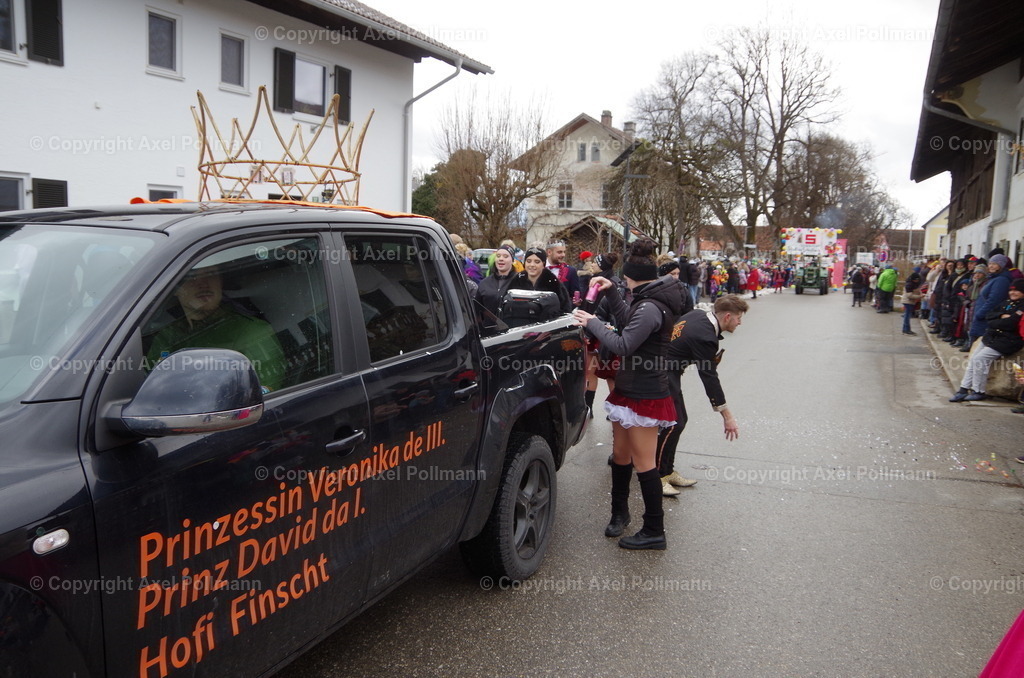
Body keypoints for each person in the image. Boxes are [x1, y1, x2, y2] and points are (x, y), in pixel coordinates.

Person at [572, 239, 683, 551]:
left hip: (645, 393)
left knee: (644, 462)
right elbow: (626, 320)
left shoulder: (650, 306)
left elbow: (623, 343)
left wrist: (592, 322)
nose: (625, 284)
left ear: (633, 276)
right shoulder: (646, 299)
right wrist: (609, 291)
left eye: (625, 279)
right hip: (630, 389)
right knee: (621, 456)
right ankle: (619, 514)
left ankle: (654, 530)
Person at [657, 295, 746, 497]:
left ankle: (667, 471)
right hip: (660, 372)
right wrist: (727, 415)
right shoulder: (705, 337)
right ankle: (657, 476)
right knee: (673, 423)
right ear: (728, 316)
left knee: (680, 420)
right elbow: (709, 378)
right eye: (739, 318)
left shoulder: (699, 315)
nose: (740, 322)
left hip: (667, 369)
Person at [147, 266, 287, 392]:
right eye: (191, 275)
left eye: (211, 273)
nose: (203, 283)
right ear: (176, 289)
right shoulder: (167, 336)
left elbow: (263, 397)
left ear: (220, 282)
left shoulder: (253, 331)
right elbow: (149, 388)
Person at [949, 278, 1024, 402]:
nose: (1013, 293)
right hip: (992, 336)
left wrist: (999, 321)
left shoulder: (1022, 306)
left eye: (1017, 291)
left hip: (1008, 340)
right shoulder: (1006, 302)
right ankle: (963, 388)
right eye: (1011, 291)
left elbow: (1011, 323)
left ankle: (979, 391)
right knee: (973, 359)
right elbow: (989, 316)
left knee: (980, 359)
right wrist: (1000, 317)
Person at [508, 247, 573, 312]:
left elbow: (565, 309)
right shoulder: (516, 280)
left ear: (543, 264)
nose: (532, 265)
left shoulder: (554, 283)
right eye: (528, 261)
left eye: (537, 262)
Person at [474, 245, 518, 316]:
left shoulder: (520, 281)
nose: (501, 259)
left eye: (505, 256)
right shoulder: (485, 283)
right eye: (498, 256)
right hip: (488, 325)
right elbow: (477, 310)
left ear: (512, 260)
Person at [901, 267, 923, 335]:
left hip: (909, 301)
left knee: (907, 316)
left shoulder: (911, 283)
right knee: (907, 316)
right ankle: (907, 330)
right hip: (908, 301)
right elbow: (909, 295)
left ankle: (906, 329)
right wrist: (919, 296)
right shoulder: (909, 285)